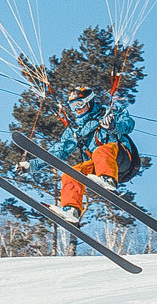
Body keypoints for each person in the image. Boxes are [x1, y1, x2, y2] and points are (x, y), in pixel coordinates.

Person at [16, 86, 134, 225]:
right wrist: (32, 165)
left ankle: (108, 180)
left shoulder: (107, 113)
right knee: (71, 174)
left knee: (101, 151)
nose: (76, 109)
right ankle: (71, 211)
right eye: (73, 106)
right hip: (97, 165)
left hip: (120, 158)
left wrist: (113, 126)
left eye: (79, 104)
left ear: (89, 102)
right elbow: (59, 151)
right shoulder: (75, 130)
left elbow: (129, 124)